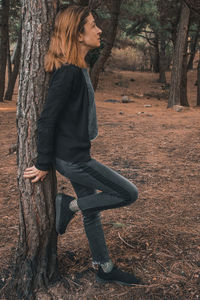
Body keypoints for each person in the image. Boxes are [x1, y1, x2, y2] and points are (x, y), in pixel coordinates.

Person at [23, 5, 141, 286]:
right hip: (74, 160)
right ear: (77, 35)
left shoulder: (79, 66)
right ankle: (69, 205)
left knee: (94, 211)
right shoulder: (68, 72)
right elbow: (47, 119)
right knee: (128, 193)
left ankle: (104, 267)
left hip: (76, 154)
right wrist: (42, 162)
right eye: (92, 25)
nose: (99, 30)